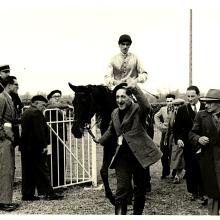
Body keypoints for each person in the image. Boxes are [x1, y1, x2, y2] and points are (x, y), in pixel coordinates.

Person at [93, 79, 162, 215]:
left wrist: (135, 88)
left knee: (139, 189)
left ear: (130, 97)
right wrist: (100, 140)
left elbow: (147, 106)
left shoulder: (137, 109)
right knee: (121, 190)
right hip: (122, 157)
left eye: (123, 96)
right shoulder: (114, 113)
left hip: (140, 157)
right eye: (117, 97)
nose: (119, 100)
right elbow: (111, 130)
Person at [20, 95, 64, 201]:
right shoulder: (36, 113)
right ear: (36, 103)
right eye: (43, 105)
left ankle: (27, 194)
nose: (44, 107)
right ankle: (49, 193)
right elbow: (39, 131)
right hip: (35, 147)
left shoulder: (26, 112)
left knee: (27, 171)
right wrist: (44, 146)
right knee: (42, 170)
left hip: (26, 147)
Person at [189, 89, 220, 215]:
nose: (205, 105)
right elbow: (191, 133)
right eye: (205, 102)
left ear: (219, 103)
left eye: (209, 102)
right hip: (208, 159)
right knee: (212, 192)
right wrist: (198, 138)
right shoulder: (201, 115)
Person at [173, 85, 206, 201]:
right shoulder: (182, 110)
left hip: (204, 143)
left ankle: (203, 193)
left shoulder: (205, 107)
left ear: (198, 95)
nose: (190, 99)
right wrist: (179, 139)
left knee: (203, 168)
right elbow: (177, 128)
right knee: (191, 168)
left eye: (193, 96)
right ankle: (193, 192)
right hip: (188, 144)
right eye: (188, 96)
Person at [0, 76, 20, 211]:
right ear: (8, 85)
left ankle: (5, 200)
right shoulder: (1, 98)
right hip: (4, 139)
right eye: (16, 85)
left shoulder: (8, 98)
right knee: (5, 169)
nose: (17, 87)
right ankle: (4, 202)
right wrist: (3, 136)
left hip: (9, 137)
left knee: (8, 168)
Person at [45, 89, 71, 188]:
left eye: (59, 96)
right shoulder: (49, 106)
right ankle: (53, 182)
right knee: (51, 159)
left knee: (61, 159)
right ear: (50, 98)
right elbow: (51, 106)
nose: (57, 98)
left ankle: (60, 181)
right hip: (51, 139)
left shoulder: (59, 109)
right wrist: (67, 106)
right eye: (55, 96)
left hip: (60, 138)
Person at [154, 93, 175, 179]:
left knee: (173, 153)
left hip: (173, 134)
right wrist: (160, 126)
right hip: (164, 133)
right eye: (167, 101)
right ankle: (165, 171)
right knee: (163, 152)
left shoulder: (178, 108)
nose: (169, 103)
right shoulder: (163, 109)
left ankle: (174, 172)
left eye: (171, 101)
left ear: (174, 101)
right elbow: (156, 116)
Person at [165, 98, 185, 184]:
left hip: (183, 138)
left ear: (182, 105)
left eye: (179, 105)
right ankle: (178, 173)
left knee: (179, 156)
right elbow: (169, 128)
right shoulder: (172, 114)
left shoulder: (186, 114)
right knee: (174, 156)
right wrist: (166, 138)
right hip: (173, 138)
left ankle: (177, 175)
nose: (177, 107)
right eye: (175, 105)